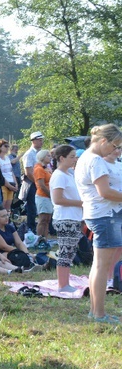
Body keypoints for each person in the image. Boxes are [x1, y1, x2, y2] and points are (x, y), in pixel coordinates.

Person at [74, 124, 122, 324]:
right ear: (103, 141)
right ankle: (99, 314)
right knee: (103, 266)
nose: (115, 151)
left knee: (98, 266)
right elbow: (105, 192)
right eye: (114, 146)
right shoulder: (96, 161)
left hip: (98, 214)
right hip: (105, 215)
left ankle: (96, 311)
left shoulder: (86, 157)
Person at [49, 145, 83, 292]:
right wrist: (81, 203)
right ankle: (63, 285)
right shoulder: (59, 175)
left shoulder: (69, 174)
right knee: (65, 251)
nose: (75, 159)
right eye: (72, 157)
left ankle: (66, 282)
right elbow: (57, 199)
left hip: (73, 217)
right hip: (65, 218)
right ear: (61, 158)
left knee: (70, 251)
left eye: (75, 156)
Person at [22, 131, 45, 232]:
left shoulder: (40, 153)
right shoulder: (29, 154)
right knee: (32, 206)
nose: (41, 142)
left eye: (42, 140)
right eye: (39, 140)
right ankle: (31, 227)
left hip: (40, 182)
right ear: (34, 141)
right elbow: (28, 172)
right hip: (32, 183)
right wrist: (37, 183)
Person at [33, 149, 53, 239]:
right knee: (43, 219)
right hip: (43, 196)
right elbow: (41, 185)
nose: (50, 157)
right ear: (42, 157)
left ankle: (45, 238)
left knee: (47, 219)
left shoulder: (46, 168)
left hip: (47, 196)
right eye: (48, 156)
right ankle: (39, 238)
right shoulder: (39, 169)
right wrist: (50, 195)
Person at [0, 139, 18, 213]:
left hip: (11, 183)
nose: (7, 148)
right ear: (0, 147)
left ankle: (7, 222)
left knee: (8, 206)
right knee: (2, 206)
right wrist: (8, 185)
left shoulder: (7, 158)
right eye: (5, 146)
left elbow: (11, 171)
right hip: (3, 184)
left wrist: (16, 183)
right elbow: (0, 175)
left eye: (8, 146)